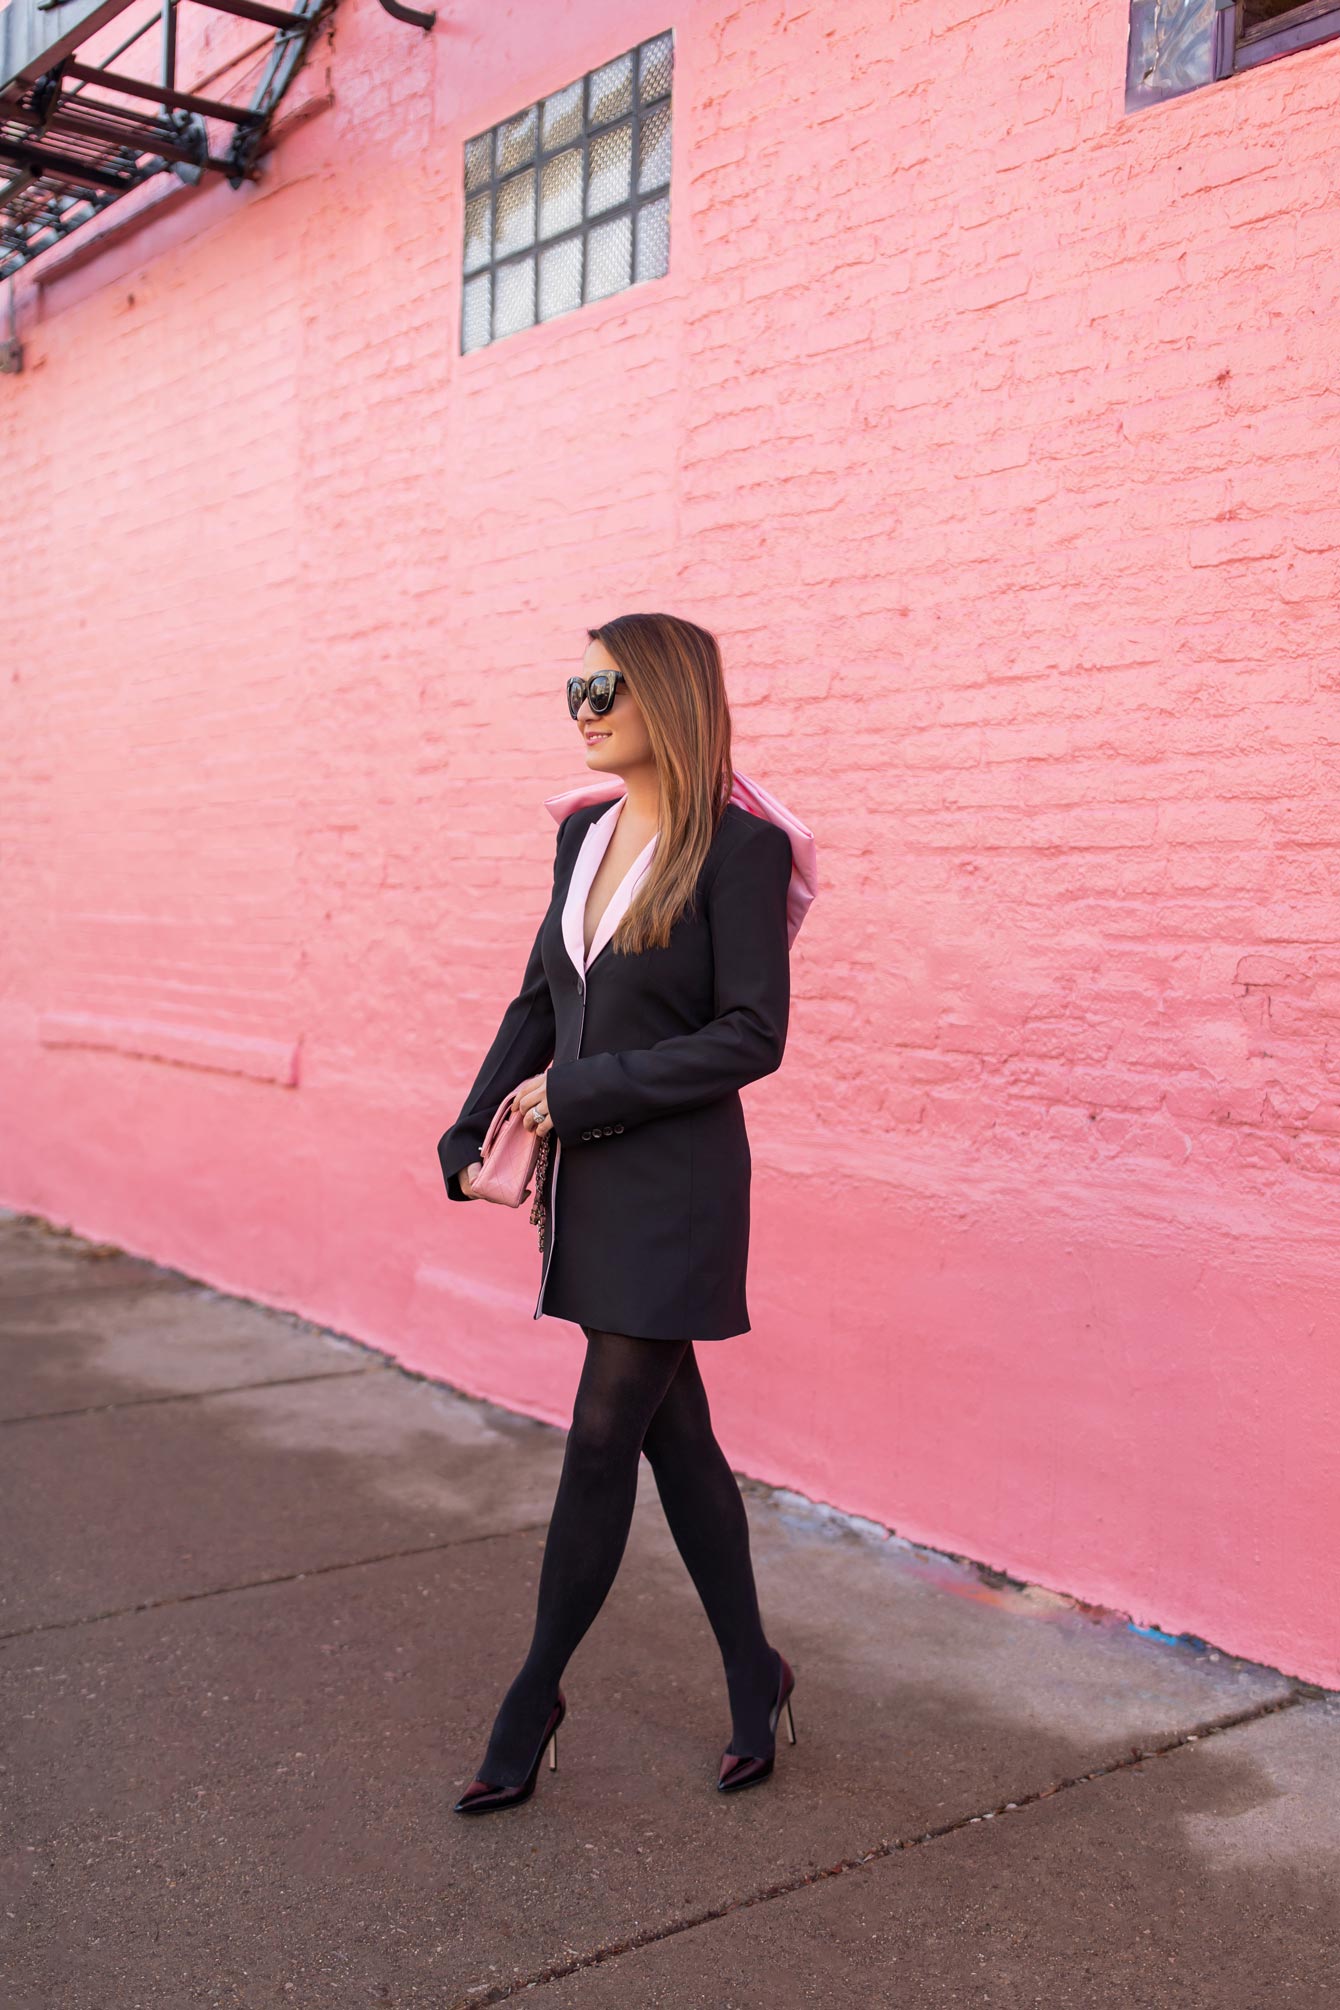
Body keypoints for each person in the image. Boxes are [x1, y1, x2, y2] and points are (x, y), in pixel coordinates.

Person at [436, 611, 813, 1813]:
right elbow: (539, 1000)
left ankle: (531, 1696)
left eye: (606, 686)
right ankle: (755, 1671)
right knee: (674, 1438)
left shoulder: (738, 851)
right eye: (574, 687)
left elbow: (751, 1038)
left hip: (678, 1190)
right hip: (589, 1187)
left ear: (667, 694)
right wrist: (471, 1119)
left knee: (604, 1434)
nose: (584, 707)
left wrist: (580, 1094)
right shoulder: (583, 839)